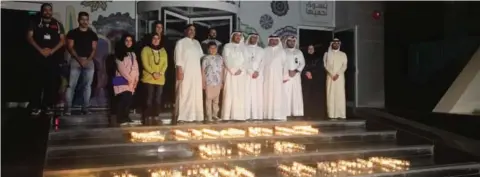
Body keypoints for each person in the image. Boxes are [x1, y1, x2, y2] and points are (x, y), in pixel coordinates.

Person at [27, 3, 65, 116]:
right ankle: (35, 106)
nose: (47, 12)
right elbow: (29, 37)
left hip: (52, 58)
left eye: (49, 10)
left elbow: (63, 40)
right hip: (37, 58)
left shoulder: (57, 24)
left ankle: (48, 106)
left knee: (51, 84)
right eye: (45, 10)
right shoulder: (34, 22)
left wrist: (52, 51)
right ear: (42, 11)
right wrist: (40, 50)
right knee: (36, 83)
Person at [65, 11, 99, 115]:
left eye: (86, 19)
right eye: (82, 19)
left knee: (87, 86)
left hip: (89, 61)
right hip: (76, 60)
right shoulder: (72, 33)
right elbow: (70, 47)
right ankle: (68, 109)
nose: (85, 21)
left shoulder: (92, 34)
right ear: (78, 20)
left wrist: (87, 60)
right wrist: (79, 60)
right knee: (71, 85)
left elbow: (94, 49)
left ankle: (85, 108)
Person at [175, 24, 204, 122]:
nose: (192, 32)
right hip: (185, 72)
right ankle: (183, 117)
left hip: (196, 73)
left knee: (196, 93)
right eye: (190, 30)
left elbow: (201, 57)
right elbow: (178, 58)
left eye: (194, 30)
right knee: (184, 92)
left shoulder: (197, 43)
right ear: (185, 31)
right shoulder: (181, 43)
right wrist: (179, 70)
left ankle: (196, 117)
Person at [140, 33, 168, 125]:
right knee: (149, 98)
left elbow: (165, 64)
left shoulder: (163, 50)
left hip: (160, 78)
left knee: (158, 98)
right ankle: (147, 116)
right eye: (154, 38)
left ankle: (156, 115)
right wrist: (153, 73)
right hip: (149, 78)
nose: (156, 40)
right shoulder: (145, 49)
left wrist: (161, 73)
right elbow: (145, 63)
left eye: (158, 38)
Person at [112, 34, 139, 126]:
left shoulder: (133, 54)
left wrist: (136, 79)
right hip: (121, 79)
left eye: (130, 40)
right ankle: (120, 118)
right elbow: (121, 68)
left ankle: (126, 117)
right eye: (126, 40)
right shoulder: (118, 54)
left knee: (129, 100)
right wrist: (129, 79)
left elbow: (136, 68)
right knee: (122, 99)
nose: (129, 42)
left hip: (131, 81)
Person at [221, 31, 247, 121]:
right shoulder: (227, 46)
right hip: (230, 74)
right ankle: (226, 116)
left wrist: (241, 69)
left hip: (241, 74)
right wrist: (233, 70)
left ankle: (239, 116)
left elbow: (246, 61)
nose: (238, 37)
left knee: (240, 94)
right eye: (236, 36)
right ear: (233, 37)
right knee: (229, 93)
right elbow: (226, 59)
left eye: (240, 36)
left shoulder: (244, 48)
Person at [262, 35, 288, 121]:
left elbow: (285, 65)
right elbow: (261, 64)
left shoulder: (282, 51)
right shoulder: (265, 50)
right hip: (267, 77)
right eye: (272, 40)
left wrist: (285, 77)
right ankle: (267, 115)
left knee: (278, 96)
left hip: (278, 78)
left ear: (278, 41)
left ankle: (277, 115)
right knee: (267, 95)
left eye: (275, 40)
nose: (273, 42)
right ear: (269, 41)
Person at [324, 38, 348, 119]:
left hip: (339, 78)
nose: (336, 44)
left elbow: (344, 66)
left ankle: (341, 114)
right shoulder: (327, 54)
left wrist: (337, 74)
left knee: (339, 95)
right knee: (330, 95)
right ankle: (331, 114)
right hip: (330, 78)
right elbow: (326, 65)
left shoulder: (343, 54)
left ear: (339, 44)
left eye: (338, 43)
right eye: (334, 43)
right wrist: (332, 74)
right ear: (332, 44)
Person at [243, 33, 265, 120]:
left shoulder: (261, 50)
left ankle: (257, 116)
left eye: (256, 38)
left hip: (258, 76)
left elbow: (263, 63)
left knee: (257, 95)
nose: (254, 39)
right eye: (252, 38)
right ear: (249, 38)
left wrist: (257, 72)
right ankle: (247, 115)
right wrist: (251, 72)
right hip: (248, 76)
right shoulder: (245, 49)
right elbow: (244, 62)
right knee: (247, 95)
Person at [201, 42, 224, 121]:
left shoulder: (220, 58)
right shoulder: (205, 58)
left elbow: (222, 71)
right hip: (209, 81)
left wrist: (221, 82)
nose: (213, 50)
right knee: (208, 99)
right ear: (208, 49)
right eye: (211, 48)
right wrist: (203, 82)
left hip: (217, 82)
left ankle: (215, 115)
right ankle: (209, 116)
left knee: (216, 100)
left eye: (214, 48)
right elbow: (203, 71)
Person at [283, 36, 305, 117]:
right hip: (286, 76)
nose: (291, 43)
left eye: (293, 41)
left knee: (296, 94)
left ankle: (297, 113)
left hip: (296, 76)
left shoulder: (299, 52)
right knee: (286, 93)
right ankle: (286, 113)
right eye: (290, 41)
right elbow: (281, 64)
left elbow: (302, 63)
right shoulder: (283, 52)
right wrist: (288, 71)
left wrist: (295, 71)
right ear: (287, 42)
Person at [302, 45, 326, 119]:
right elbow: (302, 66)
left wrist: (312, 73)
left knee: (315, 97)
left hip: (316, 81)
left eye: (312, 48)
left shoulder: (318, 58)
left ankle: (316, 114)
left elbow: (320, 68)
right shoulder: (304, 57)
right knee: (306, 97)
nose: (310, 50)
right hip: (306, 81)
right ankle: (307, 114)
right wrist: (306, 72)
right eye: (309, 48)